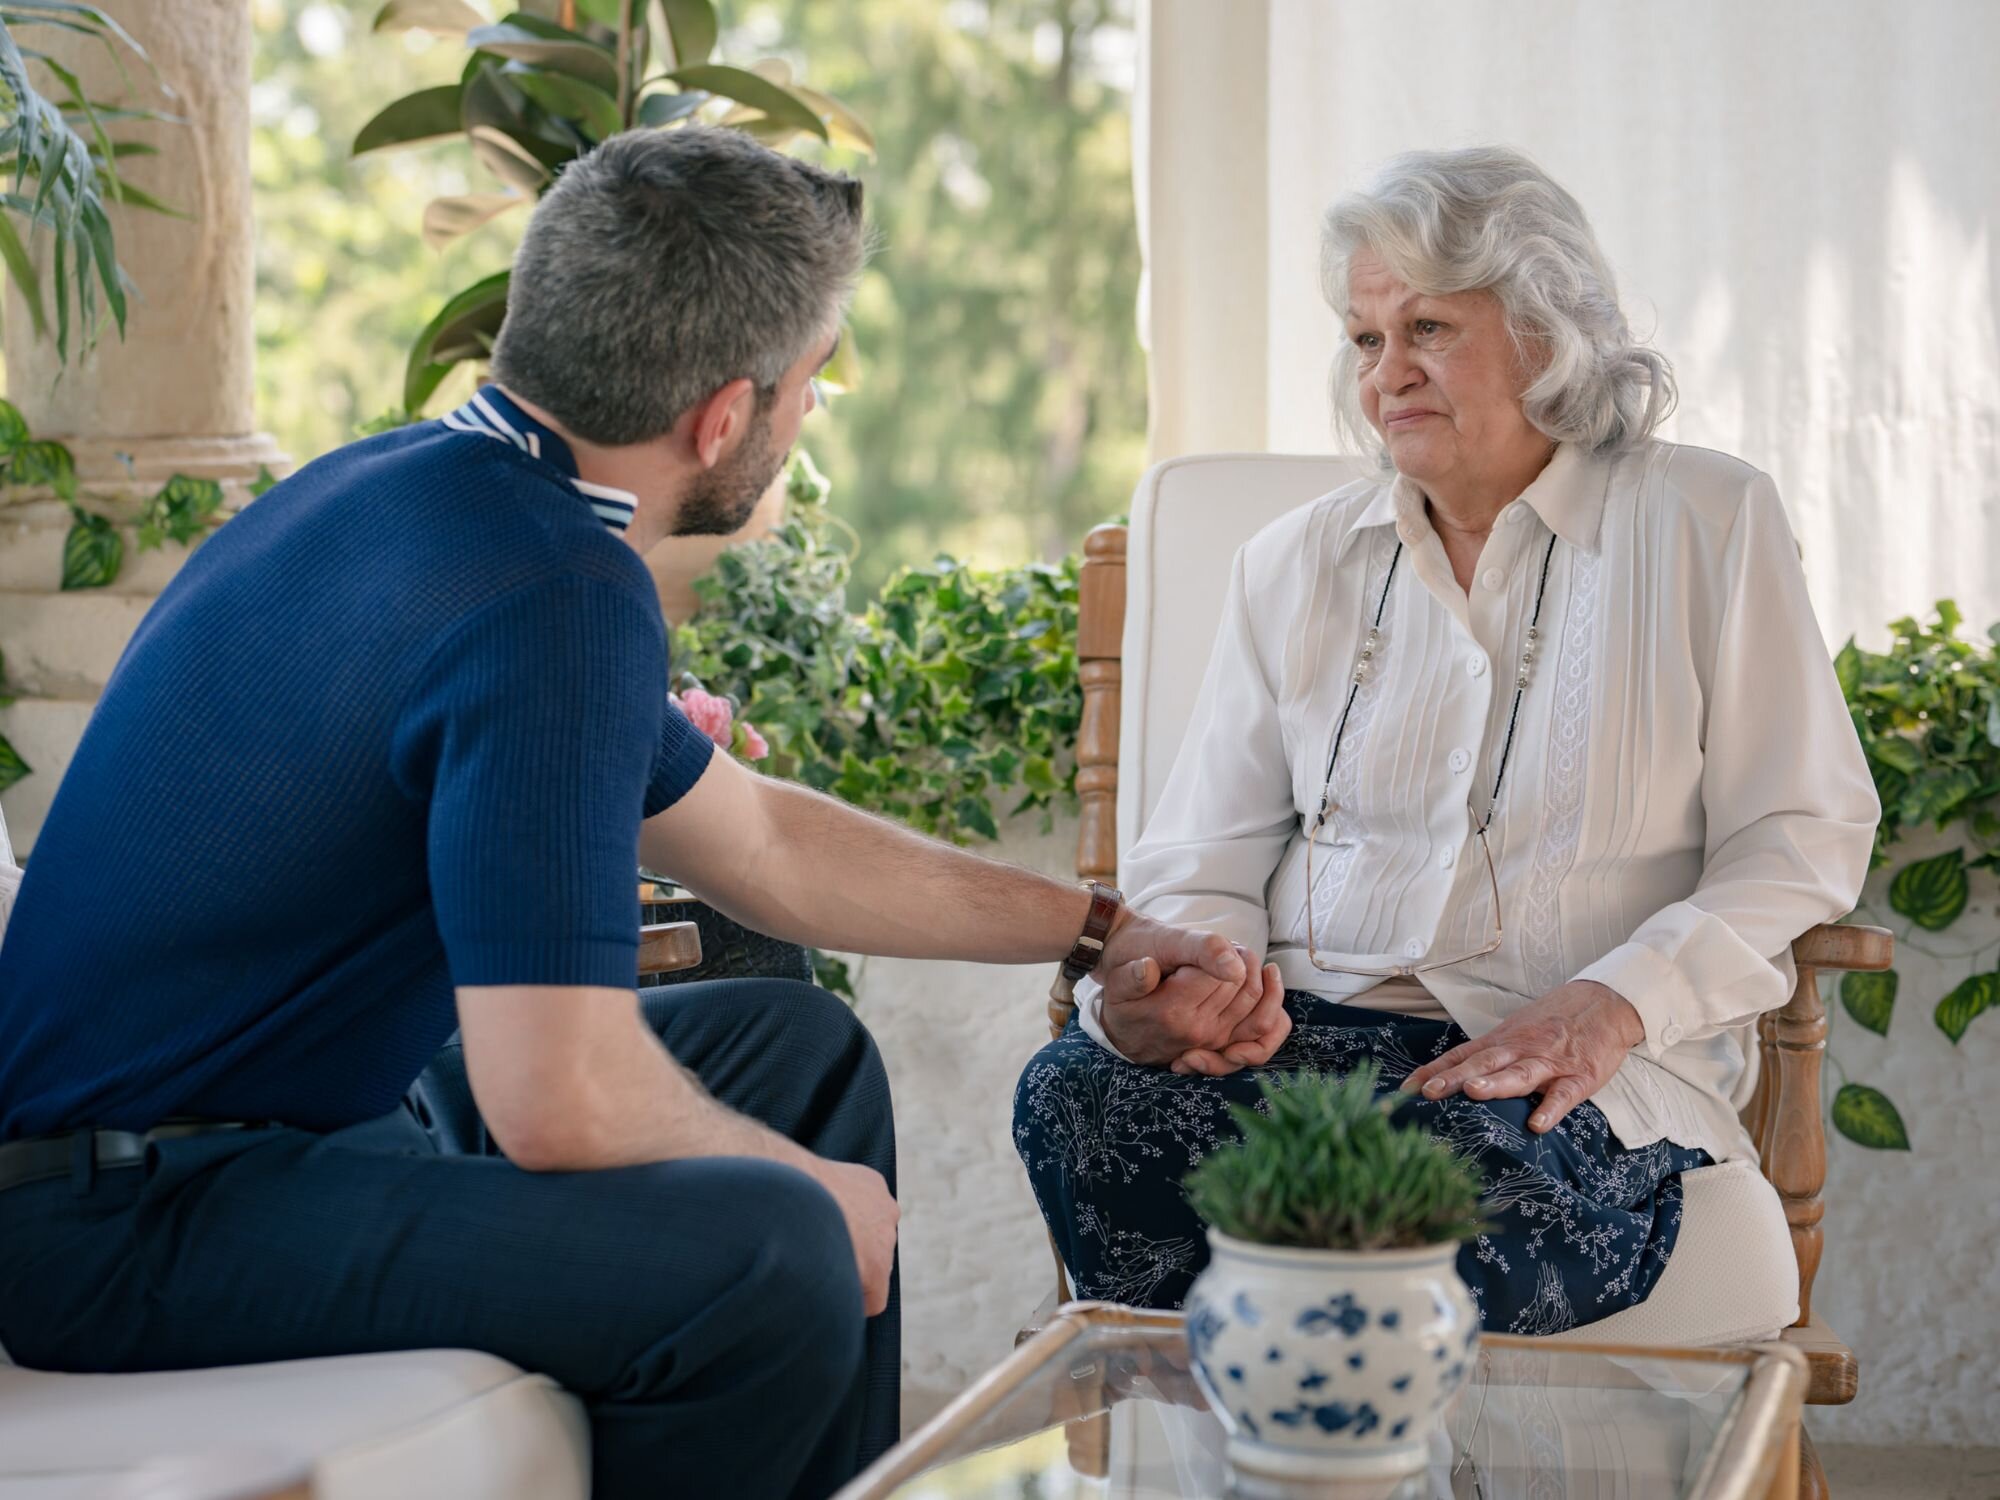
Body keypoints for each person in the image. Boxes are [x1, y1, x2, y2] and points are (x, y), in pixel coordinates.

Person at [0, 127, 1264, 1500]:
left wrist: (1100, 930)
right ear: (724, 418)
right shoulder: (550, 590)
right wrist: (801, 1192)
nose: (813, 411)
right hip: (131, 1218)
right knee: (774, 1252)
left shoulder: (408, 491)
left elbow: (764, 840)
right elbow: (557, 1098)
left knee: (797, 1050)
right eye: (812, 380)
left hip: (278, 1134)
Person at [1014, 146, 1881, 1335]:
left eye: (1426, 326)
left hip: (1549, 1065)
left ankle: (1294, 1423)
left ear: (1544, 332)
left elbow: (1799, 833)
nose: (1386, 375)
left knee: (1432, 1201)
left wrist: (1609, 1004)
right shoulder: (1291, 564)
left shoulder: (1704, 523)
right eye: (1364, 340)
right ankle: (1267, 1427)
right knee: (1074, 1096)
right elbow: (1202, 855)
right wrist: (1202, 985)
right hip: (1296, 1046)